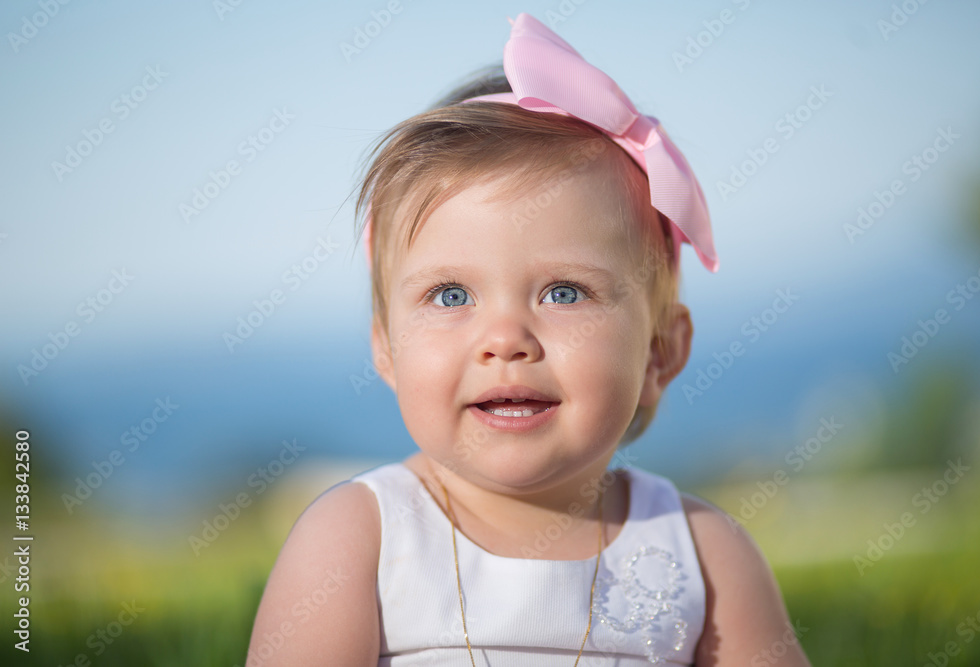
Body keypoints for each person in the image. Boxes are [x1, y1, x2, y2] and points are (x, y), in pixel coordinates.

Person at [246, 13, 810, 667]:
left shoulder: (706, 555)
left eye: (564, 292)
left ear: (660, 351)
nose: (506, 339)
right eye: (451, 295)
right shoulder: (357, 540)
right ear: (385, 345)